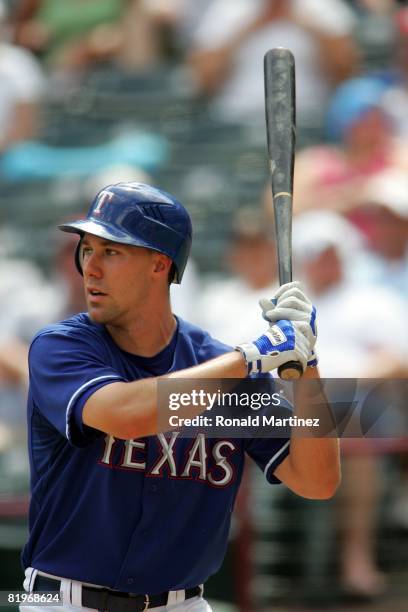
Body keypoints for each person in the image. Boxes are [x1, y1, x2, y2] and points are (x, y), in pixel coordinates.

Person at [22, 182, 340, 612]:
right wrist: (250, 356)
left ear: (160, 263)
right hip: (60, 599)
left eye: (111, 252)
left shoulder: (223, 366)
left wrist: (307, 366)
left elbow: (317, 481)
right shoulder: (61, 346)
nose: (90, 268)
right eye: (87, 249)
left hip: (182, 604)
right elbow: (127, 415)